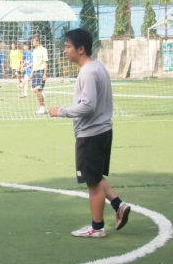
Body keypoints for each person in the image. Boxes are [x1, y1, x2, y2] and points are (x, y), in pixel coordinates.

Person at [49, 28, 130, 238]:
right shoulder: (98, 67)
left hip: (91, 134)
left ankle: (97, 227)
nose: (65, 51)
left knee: (92, 183)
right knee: (95, 175)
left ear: (81, 48)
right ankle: (118, 205)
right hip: (103, 130)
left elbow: (88, 106)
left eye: (67, 47)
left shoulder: (88, 72)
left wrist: (61, 111)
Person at [31, 35, 49, 114]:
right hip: (35, 72)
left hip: (41, 72)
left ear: (38, 41)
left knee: (38, 90)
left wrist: (45, 73)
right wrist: (32, 73)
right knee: (35, 90)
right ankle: (42, 106)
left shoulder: (43, 50)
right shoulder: (34, 51)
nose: (32, 42)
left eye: (33, 41)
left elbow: (46, 62)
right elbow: (34, 63)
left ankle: (42, 108)